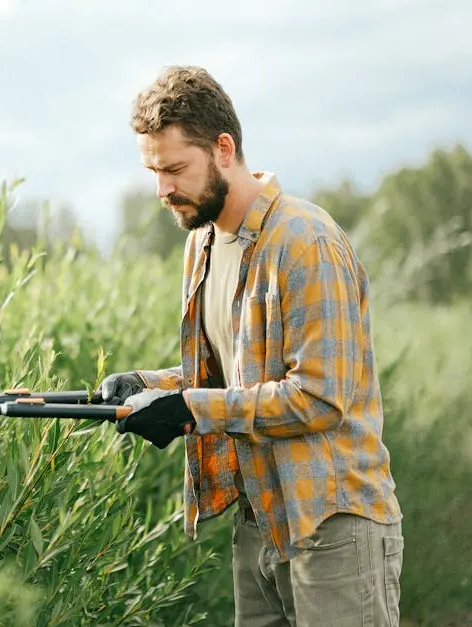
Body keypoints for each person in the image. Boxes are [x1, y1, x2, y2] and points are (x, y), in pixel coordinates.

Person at [97, 65, 404, 626]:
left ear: (222, 149)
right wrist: (148, 386)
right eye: (152, 171)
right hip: (258, 524)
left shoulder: (305, 241)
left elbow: (319, 397)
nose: (162, 189)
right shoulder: (203, 243)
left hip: (332, 527)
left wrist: (191, 410)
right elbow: (230, 377)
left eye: (174, 169)